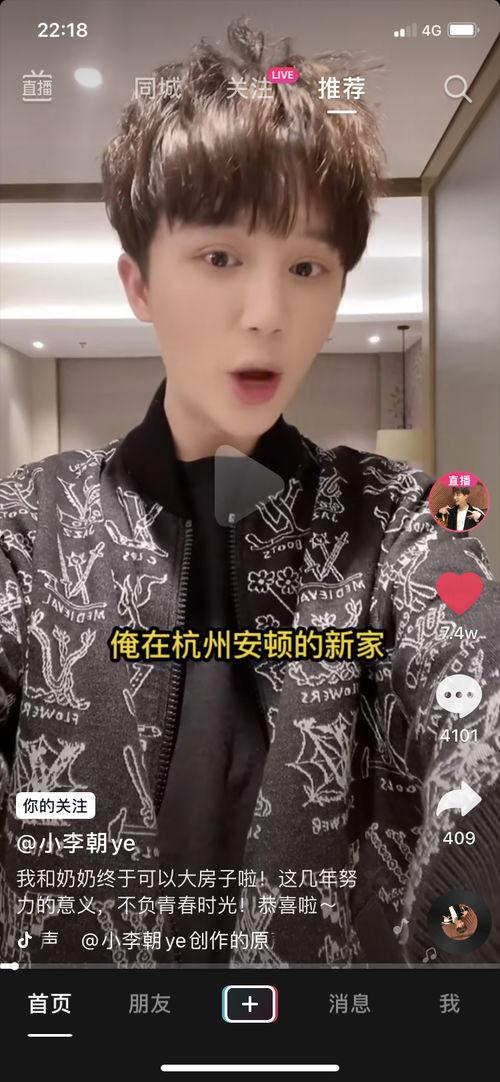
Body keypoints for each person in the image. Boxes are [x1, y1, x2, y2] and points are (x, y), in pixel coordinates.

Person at [1, 18, 499, 970]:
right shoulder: (32, 526)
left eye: (307, 267)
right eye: (221, 258)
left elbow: (475, 677)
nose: (268, 314)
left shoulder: (395, 519)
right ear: (140, 284)